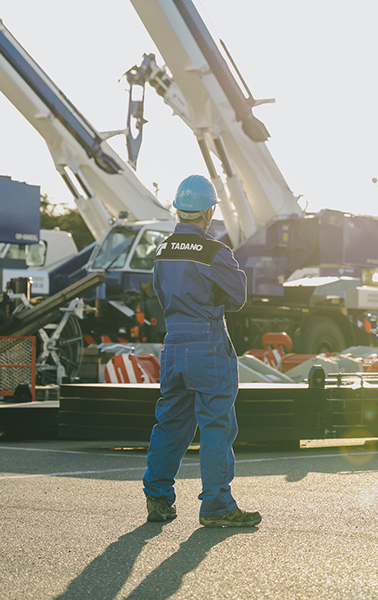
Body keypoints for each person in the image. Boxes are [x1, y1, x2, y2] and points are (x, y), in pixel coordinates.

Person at [142, 174, 261, 528]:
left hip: (174, 346)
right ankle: (217, 505)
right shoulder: (214, 252)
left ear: (178, 209)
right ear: (209, 213)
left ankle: (158, 498)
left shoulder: (162, 251)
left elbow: (160, 296)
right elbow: (238, 297)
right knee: (216, 426)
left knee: (170, 424)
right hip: (208, 346)